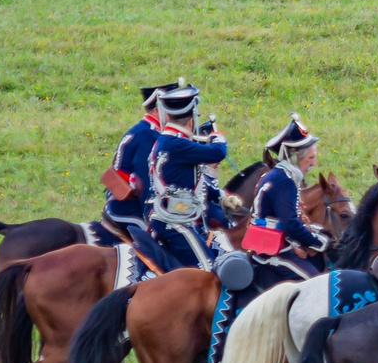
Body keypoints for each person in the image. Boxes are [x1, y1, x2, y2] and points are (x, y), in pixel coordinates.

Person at [143, 87, 228, 269]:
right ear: (192, 118)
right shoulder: (176, 144)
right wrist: (217, 137)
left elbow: (189, 180)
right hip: (174, 222)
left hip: (174, 219)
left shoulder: (167, 141)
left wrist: (220, 197)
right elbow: (218, 152)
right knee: (209, 270)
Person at [104, 82, 186, 259]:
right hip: (129, 208)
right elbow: (146, 186)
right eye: (171, 106)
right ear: (158, 109)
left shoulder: (146, 130)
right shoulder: (148, 136)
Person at [246, 114, 330, 276]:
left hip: (280, 243)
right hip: (270, 251)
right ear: (294, 158)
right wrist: (319, 242)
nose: (314, 163)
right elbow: (290, 223)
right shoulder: (284, 180)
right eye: (310, 158)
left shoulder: (282, 176)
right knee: (313, 282)